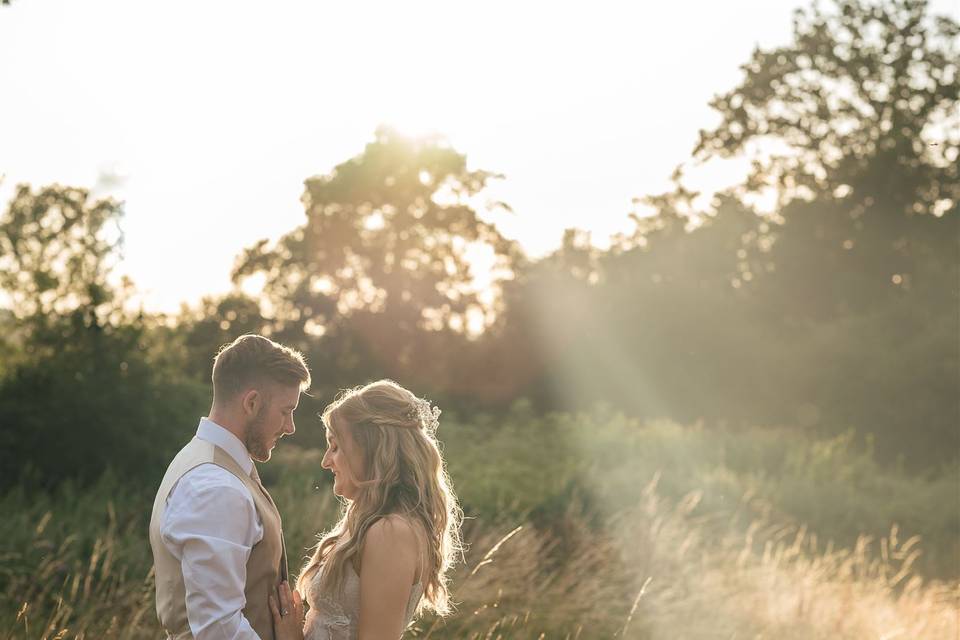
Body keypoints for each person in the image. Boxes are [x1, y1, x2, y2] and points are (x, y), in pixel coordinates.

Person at [271, 380, 463, 640]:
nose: (326, 461)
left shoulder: (391, 532)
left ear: (371, 449)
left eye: (336, 446)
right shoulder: (366, 523)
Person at [149, 334, 311, 639]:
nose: (290, 427)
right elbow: (217, 629)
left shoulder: (209, 465)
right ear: (252, 403)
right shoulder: (215, 487)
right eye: (286, 411)